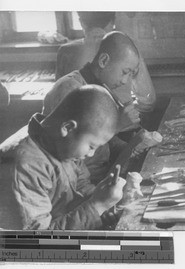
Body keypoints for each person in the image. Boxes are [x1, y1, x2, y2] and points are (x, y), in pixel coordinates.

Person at [5, 85, 126, 230]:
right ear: (67, 127)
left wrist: (107, 203)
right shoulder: (26, 165)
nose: (91, 154)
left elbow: (80, 186)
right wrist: (97, 206)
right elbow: (37, 240)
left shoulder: (60, 144)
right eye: (91, 147)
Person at [43, 31, 150, 183]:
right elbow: (67, 155)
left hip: (99, 173)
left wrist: (133, 148)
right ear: (104, 61)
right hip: (78, 183)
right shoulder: (69, 89)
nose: (125, 81)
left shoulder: (99, 88)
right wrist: (118, 125)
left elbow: (105, 143)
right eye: (125, 72)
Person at [56, 12, 116, 80]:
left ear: (81, 23)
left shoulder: (65, 51)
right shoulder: (122, 50)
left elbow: (58, 88)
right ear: (113, 22)